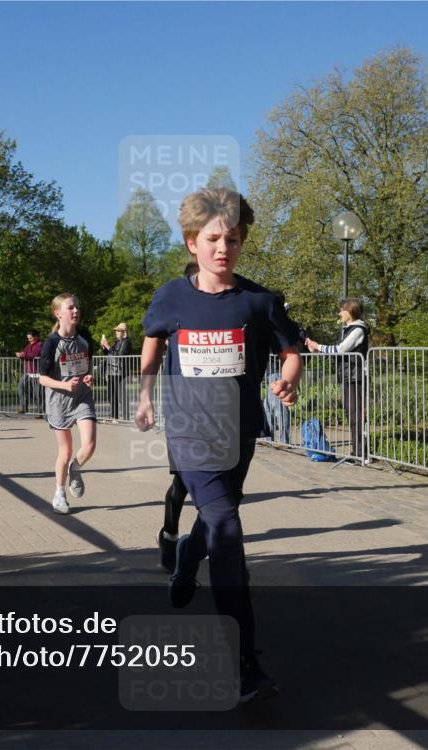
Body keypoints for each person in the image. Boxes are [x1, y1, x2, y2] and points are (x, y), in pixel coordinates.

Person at [136, 188, 302, 703]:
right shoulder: (171, 297)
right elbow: (152, 343)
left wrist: (289, 379)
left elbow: (291, 349)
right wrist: (144, 395)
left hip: (239, 432)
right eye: (212, 239)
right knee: (228, 528)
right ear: (192, 242)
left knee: (215, 520)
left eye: (232, 239)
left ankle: (187, 559)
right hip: (189, 431)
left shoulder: (259, 301)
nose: (223, 248)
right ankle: (243, 662)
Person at [156, 262, 200, 573]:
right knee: (183, 483)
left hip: (220, 414)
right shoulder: (175, 313)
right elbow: (152, 344)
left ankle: (200, 550)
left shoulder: (225, 311)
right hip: (182, 414)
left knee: (218, 491)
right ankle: (170, 534)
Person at [39, 294, 97, 515]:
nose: (75, 311)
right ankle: (59, 493)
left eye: (77, 307)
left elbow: (88, 366)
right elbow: (42, 379)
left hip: (82, 397)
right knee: (65, 451)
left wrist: (89, 377)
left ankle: (76, 467)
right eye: (70, 308)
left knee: (89, 446)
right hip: (59, 401)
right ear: (58, 313)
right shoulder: (52, 343)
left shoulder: (84, 336)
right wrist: (63, 385)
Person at [306, 298, 370, 459]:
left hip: (355, 377)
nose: (339, 313)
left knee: (356, 415)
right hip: (348, 376)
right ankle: (357, 452)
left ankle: (361, 453)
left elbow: (340, 349)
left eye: (342, 310)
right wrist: (318, 351)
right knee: (351, 414)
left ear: (350, 311)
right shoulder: (346, 329)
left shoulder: (358, 329)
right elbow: (338, 354)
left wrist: (318, 346)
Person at [100, 322, 133, 420]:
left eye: (118, 331)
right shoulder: (117, 342)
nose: (116, 332)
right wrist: (104, 347)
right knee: (112, 395)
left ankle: (126, 417)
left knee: (121, 395)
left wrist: (108, 346)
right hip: (111, 371)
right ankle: (114, 416)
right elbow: (109, 354)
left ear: (124, 332)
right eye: (116, 331)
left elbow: (119, 356)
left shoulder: (126, 342)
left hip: (120, 372)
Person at [15, 329, 44, 415]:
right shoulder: (28, 345)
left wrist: (23, 355)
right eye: (28, 338)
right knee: (21, 387)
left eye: (30, 338)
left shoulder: (40, 345)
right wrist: (20, 355)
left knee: (37, 393)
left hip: (36, 372)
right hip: (28, 371)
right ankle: (24, 407)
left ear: (36, 337)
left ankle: (40, 412)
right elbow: (25, 353)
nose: (29, 340)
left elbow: (34, 354)